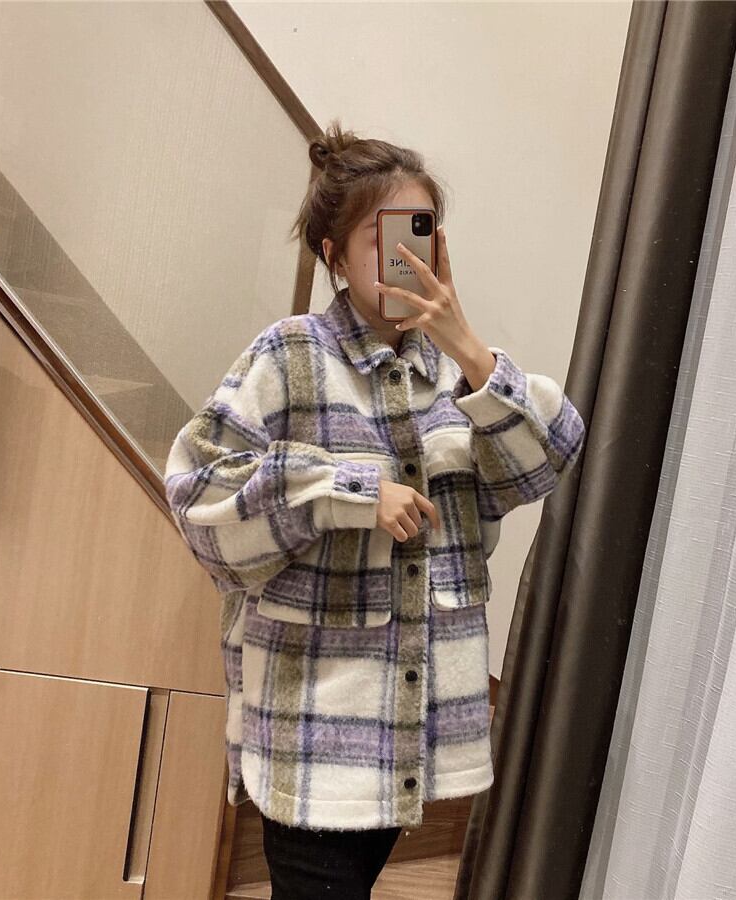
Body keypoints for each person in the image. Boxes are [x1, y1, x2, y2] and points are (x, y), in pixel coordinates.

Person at [163, 119, 586, 900]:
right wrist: (348, 492)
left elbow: (548, 459)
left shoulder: (454, 373)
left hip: (410, 738)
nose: (404, 256)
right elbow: (198, 493)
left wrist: (467, 346)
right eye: (381, 236)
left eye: (420, 232)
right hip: (314, 735)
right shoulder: (291, 355)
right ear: (334, 256)